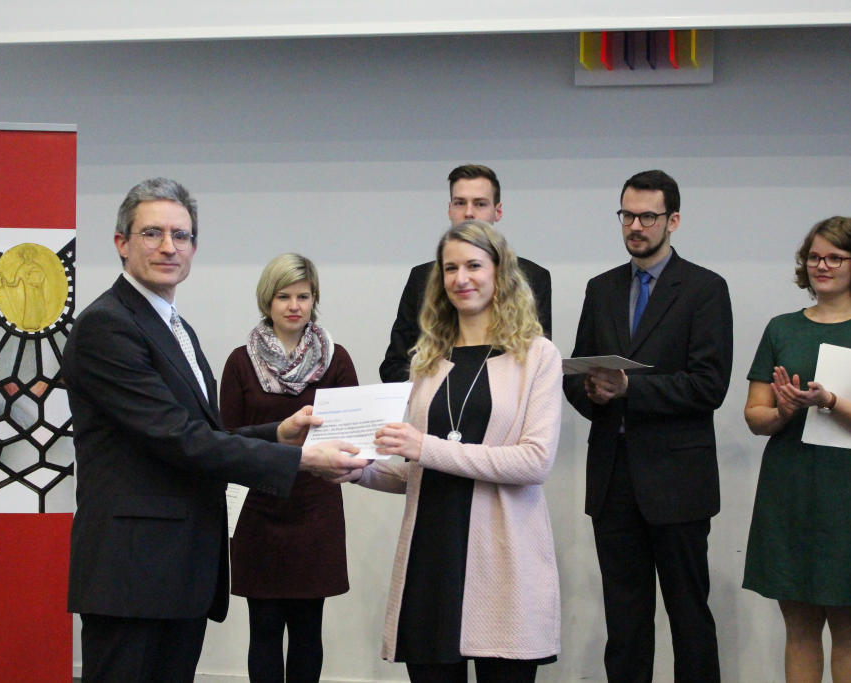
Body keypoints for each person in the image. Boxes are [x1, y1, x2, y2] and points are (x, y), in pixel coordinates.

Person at [62, 178, 365, 683]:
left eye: (181, 235)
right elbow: (179, 439)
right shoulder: (107, 325)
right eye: (152, 233)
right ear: (121, 243)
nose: (168, 246)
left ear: (194, 247)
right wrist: (302, 458)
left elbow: (205, 431)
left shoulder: (174, 327)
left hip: (178, 568)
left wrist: (279, 434)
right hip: (134, 572)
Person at [347, 220, 563, 682]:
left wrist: (424, 446)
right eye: (450, 268)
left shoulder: (538, 356)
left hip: (503, 560)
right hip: (431, 556)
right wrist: (359, 471)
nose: (461, 278)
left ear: (500, 271)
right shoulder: (427, 359)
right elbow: (418, 470)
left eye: (473, 266)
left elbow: (534, 461)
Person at [563, 170, 731, 682]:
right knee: (625, 623)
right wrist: (592, 392)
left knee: (689, 618)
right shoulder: (601, 288)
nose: (635, 226)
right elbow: (575, 373)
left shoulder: (704, 288)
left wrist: (630, 390)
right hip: (613, 479)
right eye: (627, 215)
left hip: (678, 483)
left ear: (672, 220)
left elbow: (709, 386)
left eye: (647, 217)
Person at [742, 216, 851, 682]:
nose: (822, 266)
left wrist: (831, 401)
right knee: (799, 628)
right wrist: (784, 411)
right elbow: (755, 416)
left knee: (850, 628)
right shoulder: (781, 329)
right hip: (790, 489)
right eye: (815, 257)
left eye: (835, 257)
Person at [220, 254, 358, 683]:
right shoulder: (240, 362)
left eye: (303, 296)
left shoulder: (336, 360)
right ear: (268, 300)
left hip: (316, 509)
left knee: (307, 629)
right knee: (263, 628)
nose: (294, 306)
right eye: (284, 296)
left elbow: (352, 433)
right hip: (258, 510)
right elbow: (226, 441)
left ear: (314, 299)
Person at [379, 164, 552, 382]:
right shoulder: (421, 278)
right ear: (450, 209)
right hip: (436, 396)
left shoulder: (533, 277)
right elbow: (394, 367)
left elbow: (536, 364)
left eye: (480, 204)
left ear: (497, 211)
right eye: (460, 203)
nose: (469, 213)